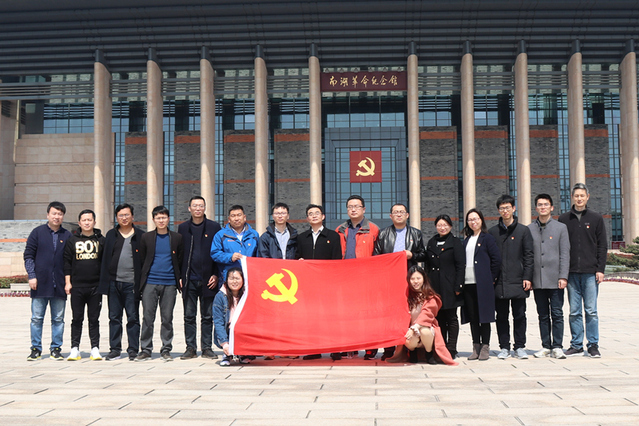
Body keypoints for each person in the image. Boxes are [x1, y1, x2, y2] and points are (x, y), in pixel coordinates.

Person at [559, 183, 608, 358]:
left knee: (591, 311)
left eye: (582, 195)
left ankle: (593, 345)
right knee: (574, 311)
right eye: (576, 195)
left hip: (590, 272)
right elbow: (561, 247)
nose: (579, 198)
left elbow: (602, 246)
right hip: (571, 273)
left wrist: (600, 269)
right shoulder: (564, 219)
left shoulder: (596, 218)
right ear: (572, 197)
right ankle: (576, 345)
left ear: (587, 197)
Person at [373, 203, 426, 360]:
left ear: (407, 215)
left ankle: (411, 348)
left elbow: (423, 255)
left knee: (410, 313)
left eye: (402, 212)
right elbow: (376, 256)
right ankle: (389, 349)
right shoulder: (383, 234)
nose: (399, 214)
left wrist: (412, 255)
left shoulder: (416, 233)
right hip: (389, 280)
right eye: (395, 212)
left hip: (410, 278)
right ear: (391, 216)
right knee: (389, 314)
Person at [488, 194, 534, 360]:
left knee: (519, 315)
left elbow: (529, 256)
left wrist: (527, 276)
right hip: (499, 282)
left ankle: (520, 346)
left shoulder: (523, 231)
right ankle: (504, 347)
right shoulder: (493, 232)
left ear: (513, 209)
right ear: (498, 211)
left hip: (518, 280)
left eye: (507, 207)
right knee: (501, 317)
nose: (505, 211)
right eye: (502, 208)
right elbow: (490, 257)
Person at [24, 201, 71, 361]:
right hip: (39, 283)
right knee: (37, 319)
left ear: (63, 216)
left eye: (60, 214)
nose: (57, 216)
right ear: (48, 215)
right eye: (54, 213)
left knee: (58, 319)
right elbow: (28, 255)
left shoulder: (67, 235)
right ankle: (35, 349)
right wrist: (32, 275)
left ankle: (56, 348)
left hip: (59, 284)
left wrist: (68, 281)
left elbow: (70, 261)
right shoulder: (37, 233)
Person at [136, 206, 183, 362]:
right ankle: (145, 349)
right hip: (150, 282)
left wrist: (179, 278)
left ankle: (166, 349)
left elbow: (180, 260)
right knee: (147, 318)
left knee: (167, 318)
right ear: (153, 220)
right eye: (158, 218)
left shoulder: (176, 238)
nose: (161, 220)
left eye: (163, 217)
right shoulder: (146, 237)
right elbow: (142, 259)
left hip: (170, 283)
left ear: (168, 219)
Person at [177, 196, 221, 360]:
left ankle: (207, 348)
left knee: (207, 316)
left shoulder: (214, 227)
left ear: (205, 208)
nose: (198, 208)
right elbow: (179, 254)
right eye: (195, 206)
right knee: (189, 316)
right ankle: (190, 348)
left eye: (201, 206)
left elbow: (218, 252)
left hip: (208, 280)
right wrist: (180, 276)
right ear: (189, 208)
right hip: (189, 279)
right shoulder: (183, 228)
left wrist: (216, 274)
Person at [296, 204, 343, 361]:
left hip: (328, 284)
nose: (314, 215)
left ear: (323, 216)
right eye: (311, 214)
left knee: (331, 316)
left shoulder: (333, 236)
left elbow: (337, 260)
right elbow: (297, 258)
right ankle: (314, 349)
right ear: (307, 218)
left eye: (317, 213)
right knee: (311, 316)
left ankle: (335, 348)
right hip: (308, 285)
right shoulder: (302, 238)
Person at [99, 203, 145, 361]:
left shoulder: (140, 235)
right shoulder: (111, 235)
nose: (124, 218)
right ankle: (115, 349)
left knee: (133, 318)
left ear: (132, 216)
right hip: (113, 283)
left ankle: (133, 349)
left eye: (127, 215)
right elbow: (105, 259)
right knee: (114, 318)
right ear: (116, 218)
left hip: (132, 284)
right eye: (120, 215)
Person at [335, 195, 379, 359]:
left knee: (367, 313)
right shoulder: (339, 230)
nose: (353, 209)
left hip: (365, 278)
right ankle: (349, 345)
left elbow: (378, 254)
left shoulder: (373, 229)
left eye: (356, 206)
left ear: (363, 209)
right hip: (344, 278)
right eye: (350, 207)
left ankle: (369, 347)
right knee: (346, 314)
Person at [387, 265, 457, 366]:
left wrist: (415, 327)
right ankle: (412, 351)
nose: (415, 281)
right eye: (412, 279)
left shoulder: (430, 296)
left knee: (424, 331)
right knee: (408, 337)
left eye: (418, 278)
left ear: (424, 279)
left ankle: (429, 353)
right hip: (411, 332)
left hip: (426, 330)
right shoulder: (406, 296)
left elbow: (426, 314)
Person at [529, 194, 570, 359]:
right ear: (536, 208)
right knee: (543, 314)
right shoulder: (529, 229)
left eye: (546, 204)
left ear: (551, 207)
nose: (543, 207)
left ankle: (558, 346)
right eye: (540, 205)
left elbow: (565, 254)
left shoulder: (561, 228)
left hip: (555, 279)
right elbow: (528, 255)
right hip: (538, 280)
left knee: (557, 313)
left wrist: (563, 276)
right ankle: (546, 345)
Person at [63, 209, 105, 361]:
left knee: (94, 319)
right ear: (79, 223)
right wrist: (68, 283)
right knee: (77, 319)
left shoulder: (101, 240)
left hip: (95, 287)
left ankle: (95, 349)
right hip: (77, 287)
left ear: (94, 222)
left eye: (89, 220)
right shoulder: (72, 240)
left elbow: (105, 263)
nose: (87, 222)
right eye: (84, 220)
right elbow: (67, 263)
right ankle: (75, 349)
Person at [462, 208, 501, 361]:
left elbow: (496, 260)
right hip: (468, 283)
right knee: (473, 317)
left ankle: (485, 346)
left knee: (484, 316)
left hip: (483, 284)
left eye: (476, 219)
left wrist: (491, 279)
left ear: (481, 220)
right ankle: (476, 346)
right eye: (470, 219)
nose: (473, 222)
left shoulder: (487, 238)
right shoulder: (466, 240)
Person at [425, 214, 465, 359]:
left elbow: (460, 266)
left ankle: (451, 348)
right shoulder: (432, 242)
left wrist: (459, 286)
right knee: (439, 318)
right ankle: (440, 348)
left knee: (451, 318)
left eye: (445, 225)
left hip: (450, 286)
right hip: (435, 286)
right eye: (439, 225)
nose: (442, 228)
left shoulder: (455, 242)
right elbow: (427, 265)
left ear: (450, 226)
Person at [210, 205, 260, 283]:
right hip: (229, 279)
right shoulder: (220, 235)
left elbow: (258, 257)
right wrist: (230, 257)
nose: (236, 218)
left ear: (244, 217)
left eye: (239, 215)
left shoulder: (254, 235)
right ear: (229, 219)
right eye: (233, 216)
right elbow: (215, 254)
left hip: (249, 278)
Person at [213, 267, 251, 366]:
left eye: (237, 278)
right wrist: (225, 344)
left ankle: (242, 352)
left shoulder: (248, 295)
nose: (234, 281)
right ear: (226, 280)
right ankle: (227, 354)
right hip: (228, 330)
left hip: (243, 330)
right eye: (231, 278)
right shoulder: (220, 296)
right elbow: (218, 322)